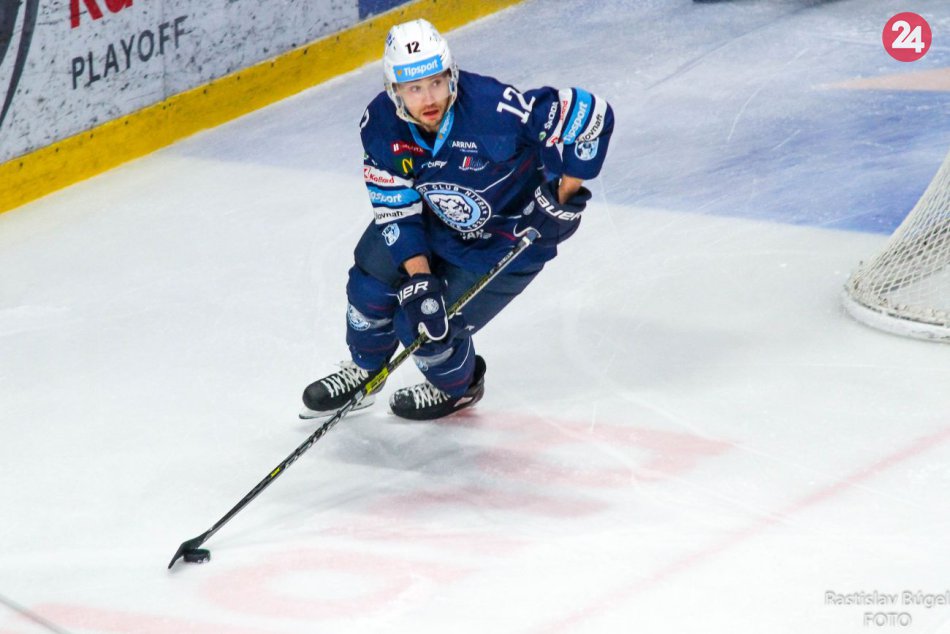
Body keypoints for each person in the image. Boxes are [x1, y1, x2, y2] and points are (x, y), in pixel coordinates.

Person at [301, 18, 614, 421]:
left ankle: (459, 389)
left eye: (436, 82)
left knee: (426, 328)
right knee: (370, 286)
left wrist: (562, 197)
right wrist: (420, 280)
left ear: (451, 74)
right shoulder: (381, 125)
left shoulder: (493, 111)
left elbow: (591, 114)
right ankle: (365, 372)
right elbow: (394, 208)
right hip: (435, 222)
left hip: (507, 237)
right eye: (414, 88)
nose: (429, 97)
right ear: (393, 90)